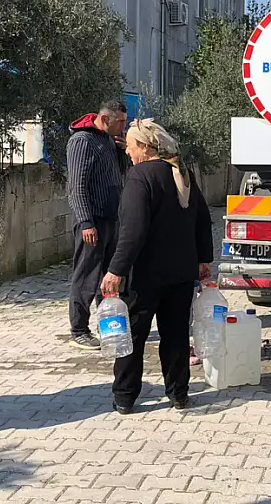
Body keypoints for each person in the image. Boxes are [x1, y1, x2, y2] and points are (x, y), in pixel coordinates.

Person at [100, 119, 212, 414]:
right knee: (175, 335)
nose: (128, 152)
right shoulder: (183, 174)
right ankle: (179, 395)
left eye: (132, 145)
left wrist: (115, 270)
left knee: (132, 337)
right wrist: (204, 260)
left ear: (146, 148)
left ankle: (125, 397)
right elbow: (202, 220)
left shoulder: (140, 177)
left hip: (144, 276)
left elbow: (133, 231)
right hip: (181, 273)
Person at [65, 100, 128, 350]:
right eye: (119, 121)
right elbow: (76, 186)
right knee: (86, 277)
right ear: (104, 119)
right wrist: (85, 222)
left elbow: (120, 175)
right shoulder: (82, 141)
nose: (123, 126)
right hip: (92, 222)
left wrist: (123, 152)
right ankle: (79, 329)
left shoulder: (109, 141)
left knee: (109, 278)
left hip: (112, 219)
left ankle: (108, 326)